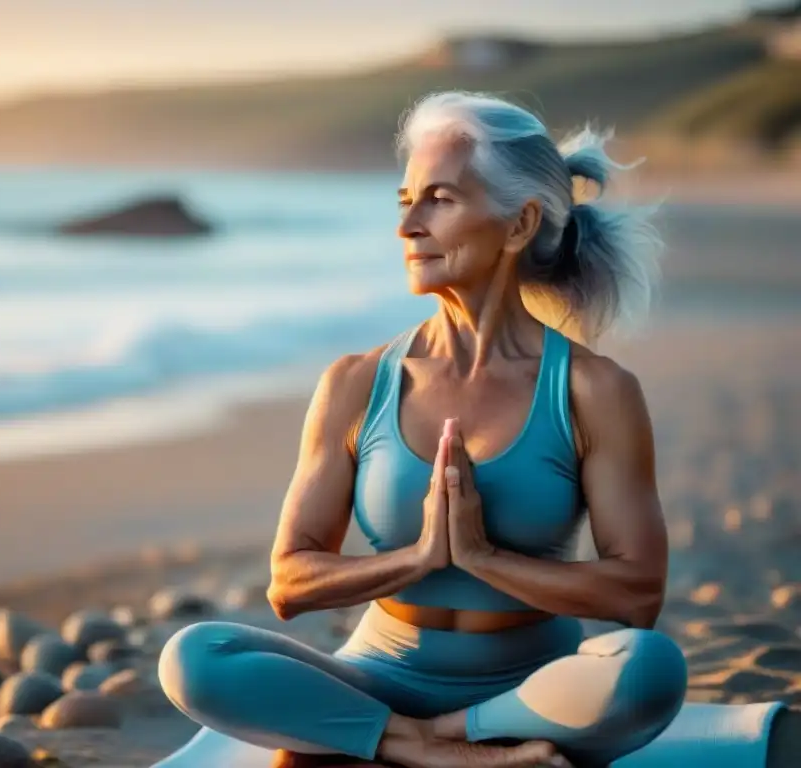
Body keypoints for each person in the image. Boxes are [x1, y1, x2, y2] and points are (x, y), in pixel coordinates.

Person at [156, 90, 690, 768]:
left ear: (520, 223)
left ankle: (431, 738)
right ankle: (429, 746)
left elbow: (637, 593)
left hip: (533, 691)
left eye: (439, 199)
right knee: (195, 657)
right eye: (404, 199)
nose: (408, 225)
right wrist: (419, 558)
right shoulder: (356, 383)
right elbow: (289, 584)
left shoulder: (595, 391)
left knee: (647, 670)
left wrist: (483, 558)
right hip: (380, 678)